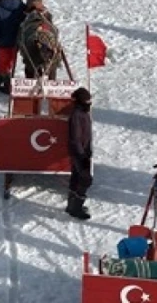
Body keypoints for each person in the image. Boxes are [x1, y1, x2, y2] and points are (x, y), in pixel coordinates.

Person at [18, 0, 61, 79]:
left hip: (32, 37)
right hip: (48, 37)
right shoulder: (46, 13)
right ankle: (51, 79)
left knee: (30, 60)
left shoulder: (27, 14)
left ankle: (33, 79)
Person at [66, 88, 94, 220]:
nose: (89, 103)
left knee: (76, 176)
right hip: (79, 152)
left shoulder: (84, 112)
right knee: (86, 179)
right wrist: (82, 155)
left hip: (84, 151)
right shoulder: (77, 114)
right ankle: (76, 207)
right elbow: (76, 137)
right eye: (86, 101)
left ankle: (71, 205)